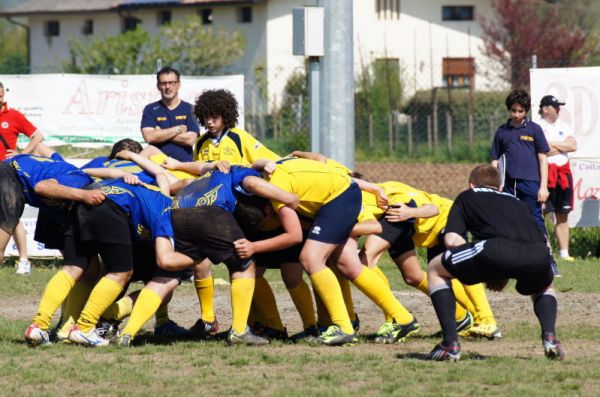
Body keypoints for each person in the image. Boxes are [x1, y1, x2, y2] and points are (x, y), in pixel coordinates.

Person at [426, 165, 563, 361]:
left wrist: (484, 268)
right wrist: (501, 269)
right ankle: (550, 337)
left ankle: (450, 344)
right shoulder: (517, 201)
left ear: (471, 184)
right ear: (499, 187)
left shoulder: (467, 196)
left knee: (435, 269)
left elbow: (452, 240)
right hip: (539, 254)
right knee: (544, 285)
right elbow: (541, 240)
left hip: (495, 250)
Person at [359, 180, 500, 340]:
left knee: (461, 266)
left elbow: (432, 208)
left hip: (445, 217)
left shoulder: (388, 196)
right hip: (408, 224)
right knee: (412, 276)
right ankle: (461, 318)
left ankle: (486, 320)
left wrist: (410, 212)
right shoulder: (372, 201)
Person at [0, 81, 45, 274]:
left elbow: (38, 136)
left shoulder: (14, 115)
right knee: (8, 214)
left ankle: (24, 259)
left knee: (12, 213)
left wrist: (22, 154)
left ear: (3, 95)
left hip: (7, 171)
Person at [491, 89, 550, 233]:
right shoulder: (501, 131)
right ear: (509, 109)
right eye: (513, 110)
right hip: (508, 184)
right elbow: (495, 161)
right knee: (508, 218)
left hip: (530, 183)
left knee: (535, 218)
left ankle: (545, 251)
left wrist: (543, 187)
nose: (516, 114)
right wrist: (495, 183)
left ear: (526, 111)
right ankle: (514, 252)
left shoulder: (534, 129)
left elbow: (543, 160)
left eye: (520, 111)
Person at [537, 95, 577, 261]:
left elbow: (573, 145)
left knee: (562, 215)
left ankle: (564, 253)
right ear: (546, 109)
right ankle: (543, 251)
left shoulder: (564, 126)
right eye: (555, 106)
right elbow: (542, 150)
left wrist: (552, 144)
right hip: (545, 175)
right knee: (540, 213)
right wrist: (561, 146)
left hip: (563, 175)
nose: (559, 109)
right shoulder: (537, 126)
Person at [140, 67, 200, 162]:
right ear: (158, 86)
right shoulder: (150, 109)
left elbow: (190, 140)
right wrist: (178, 129)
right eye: (163, 83)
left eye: (172, 83)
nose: (168, 87)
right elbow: (149, 137)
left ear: (178, 85)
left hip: (184, 167)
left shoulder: (190, 109)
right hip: (156, 166)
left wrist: (160, 133)